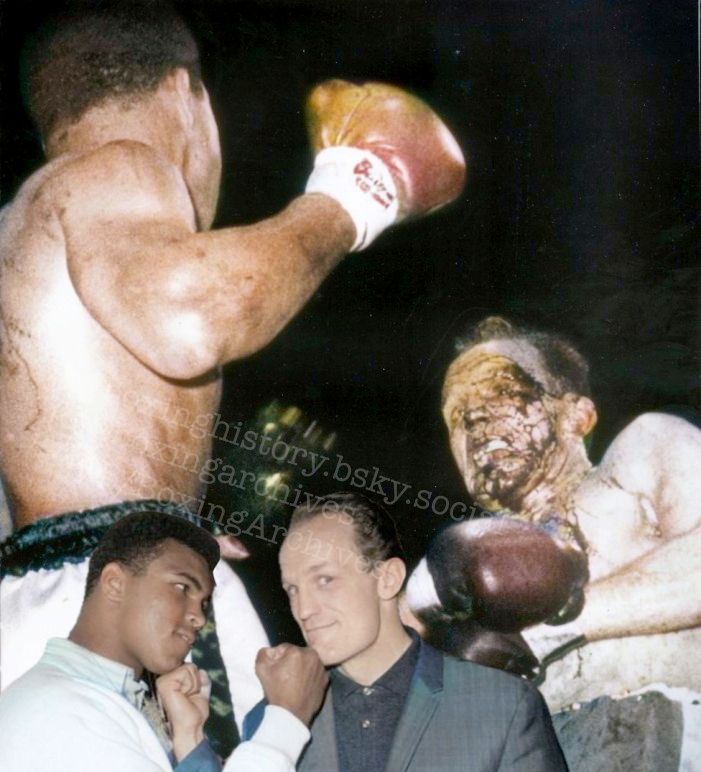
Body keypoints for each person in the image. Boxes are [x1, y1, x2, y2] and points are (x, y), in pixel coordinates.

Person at [0, 1, 465, 743]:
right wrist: (356, 192)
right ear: (187, 95)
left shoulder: (24, 233)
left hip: (52, 607)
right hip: (124, 607)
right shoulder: (119, 166)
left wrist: (179, 523)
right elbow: (189, 321)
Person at [408, 315, 701, 769]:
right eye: (456, 415)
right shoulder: (455, 564)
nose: (475, 419)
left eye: (500, 392)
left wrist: (541, 633)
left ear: (576, 414)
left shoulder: (641, 451)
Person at [0, 511, 329, 771]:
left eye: (204, 603)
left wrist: (189, 739)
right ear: (115, 583)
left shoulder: (99, 697)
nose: (199, 618)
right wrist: (286, 720)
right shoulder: (65, 711)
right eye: (182, 588)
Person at [274, 491, 567, 771]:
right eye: (292, 590)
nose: (303, 609)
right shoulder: (278, 724)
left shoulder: (502, 705)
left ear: (387, 579)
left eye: (325, 580)